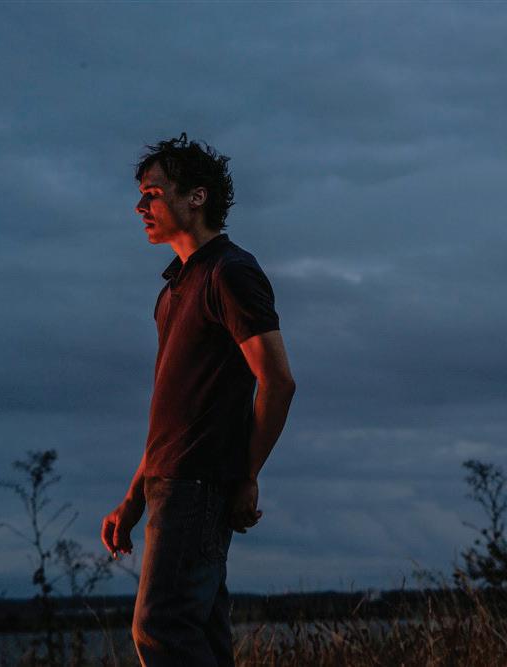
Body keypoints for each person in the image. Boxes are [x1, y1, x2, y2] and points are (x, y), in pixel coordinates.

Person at [100, 133, 296, 666]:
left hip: (199, 486)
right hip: (171, 484)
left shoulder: (230, 273)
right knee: (202, 637)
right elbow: (174, 411)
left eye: (153, 193)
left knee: (160, 627)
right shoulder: (171, 293)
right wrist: (133, 499)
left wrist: (246, 474)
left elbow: (278, 382)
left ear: (196, 197)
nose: (140, 206)